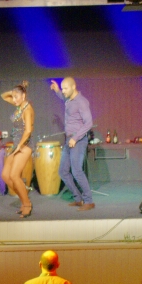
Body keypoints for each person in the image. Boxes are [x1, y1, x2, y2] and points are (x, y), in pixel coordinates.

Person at [50, 77, 94, 211]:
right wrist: (57, 90)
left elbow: (89, 123)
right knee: (63, 171)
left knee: (76, 171)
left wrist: (75, 138)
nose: (63, 91)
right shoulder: (69, 100)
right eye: (62, 88)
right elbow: (63, 97)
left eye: (65, 88)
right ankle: (78, 199)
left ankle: (89, 201)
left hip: (78, 140)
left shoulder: (81, 102)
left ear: (73, 87)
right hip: (69, 140)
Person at [1, 81, 35, 218]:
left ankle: (27, 204)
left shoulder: (27, 109)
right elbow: (3, 96)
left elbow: (28, 131)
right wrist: (15, 91)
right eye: (13, 97)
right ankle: (24, 198)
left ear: (23, 96)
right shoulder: (19, 105)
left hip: (25, 145)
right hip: (16, 145)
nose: (14, 100)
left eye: (16, 97)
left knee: (14, 175)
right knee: (5, 175)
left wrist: (20, 146)